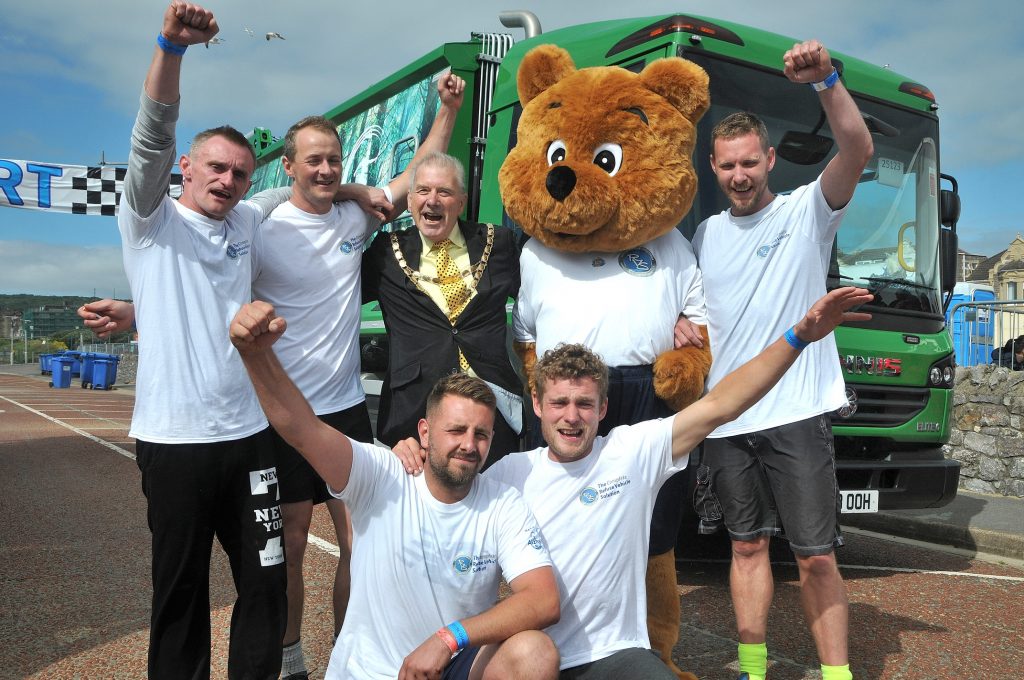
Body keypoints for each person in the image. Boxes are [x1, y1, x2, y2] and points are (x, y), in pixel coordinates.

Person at [395, 289, 872, 678]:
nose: (571, 416)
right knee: (530, 657)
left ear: (603, 409)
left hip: (615, 655)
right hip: (532, 654)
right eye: (559, 402)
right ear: (537, 404)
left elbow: (722, 404)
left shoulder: (632, 452)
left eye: (584, 403)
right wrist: (408, 452)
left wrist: (799, 336)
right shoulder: (507, 474)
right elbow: (444, 484)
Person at [252, 73, 465, 679]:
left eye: (334, 161)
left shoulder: (356, 219)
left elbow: (419, 172)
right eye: (314, 161)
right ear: (289, 165)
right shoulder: (264, 229)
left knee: (359, 544)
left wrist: (448, 109)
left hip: (345, 408)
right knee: (291, 542)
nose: (325, 170)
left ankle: (348, 653)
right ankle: (292, 658)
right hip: (287, 417)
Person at [229, 303, 561, 680]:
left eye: (480, 434)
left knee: (534, 653)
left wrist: (448, 638)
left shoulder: (503, 503)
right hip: (370, 672)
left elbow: (543, 599)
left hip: (446, 666)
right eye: (455, 430)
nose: (469, 444)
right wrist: (255, 355)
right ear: (424, 432)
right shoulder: (381, 475)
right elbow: (303, 429)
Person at [112, 3, 293, 676]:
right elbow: (150, 138)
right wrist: (172, 49)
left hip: (249, 440)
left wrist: (359, 189)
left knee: (267, 585)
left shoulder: (248, 217)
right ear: (187, 167)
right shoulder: (151, 220)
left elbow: (296, 195)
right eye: (216, 168)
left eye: (240, 173)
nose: (227, 181)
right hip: (175, 444)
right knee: (180, 596)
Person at [688, 40, 874, 680]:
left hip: (797, 412)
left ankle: (836, 675)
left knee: (816, 557)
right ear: (713, 168)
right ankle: (753, 666)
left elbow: (858, 150)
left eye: (749, 163)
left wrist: (827, 81)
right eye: (727, 166)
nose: (739, 175)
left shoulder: (807, 213)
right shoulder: (705, 236)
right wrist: (686, 327)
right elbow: (691, 310)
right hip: (728, 418)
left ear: (769, 160)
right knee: (744, 547)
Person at [362, 151, 524, 462]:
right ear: (409, 202)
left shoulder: (498, 242)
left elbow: (539, 300)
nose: (432, 200)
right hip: (414, 417)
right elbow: (334, 290)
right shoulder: (385, 254)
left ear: (461, 202)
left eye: (444, 192)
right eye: (423, 190)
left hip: (491, 412)